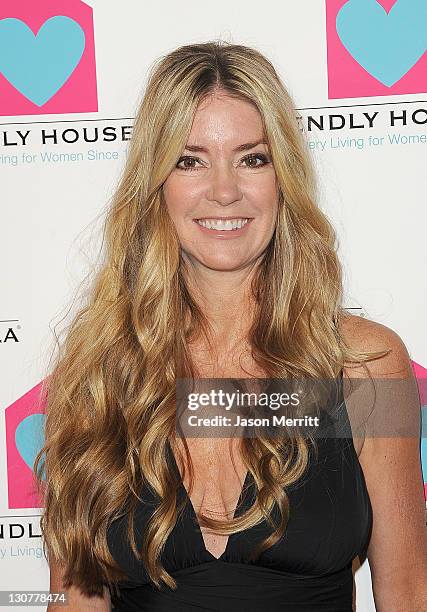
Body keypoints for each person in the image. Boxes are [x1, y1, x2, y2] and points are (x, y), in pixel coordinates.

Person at [35, 41, 427, 611]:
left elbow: (408, 593)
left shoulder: (363, 365)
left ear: (283, 178)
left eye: (252, 158)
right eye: (189, 160)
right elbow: (75, 600)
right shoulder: (100, 372)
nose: (224, 190)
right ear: (155, 185)